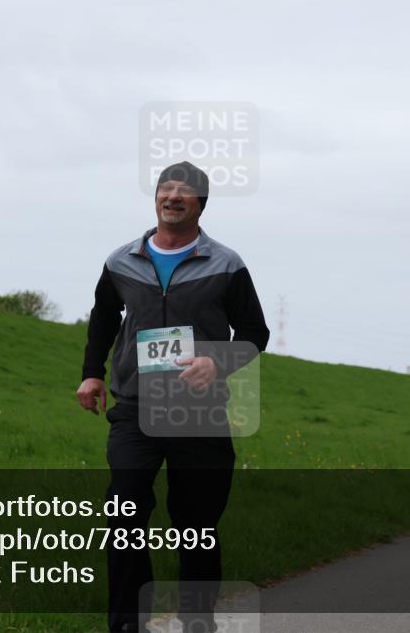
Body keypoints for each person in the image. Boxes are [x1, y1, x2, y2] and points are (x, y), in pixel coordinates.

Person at [76, 160, 269, 633]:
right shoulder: (122, 260)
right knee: (123, 517)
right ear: (156, 198)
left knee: (196, 528)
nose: (173, 197)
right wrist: (91, 375)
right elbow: (103, 319)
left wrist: (215, 360)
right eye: (166, 189)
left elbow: (253, 331)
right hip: (135, 410)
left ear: (200, 203)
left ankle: (197, 621)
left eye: (184, 191)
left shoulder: (226, 263)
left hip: (198, 413)